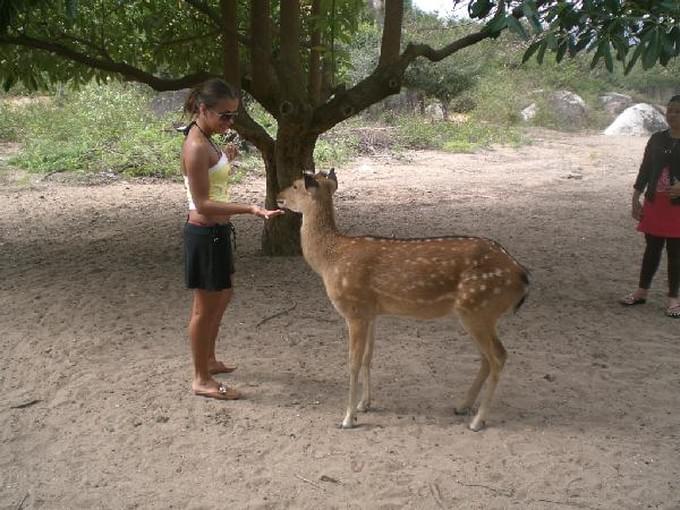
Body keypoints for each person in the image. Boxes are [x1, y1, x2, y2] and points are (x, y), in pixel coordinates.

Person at [181, 79, 283, 399]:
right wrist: (251, 209)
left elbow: (212, 180)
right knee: (204, 308)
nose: (229, 122)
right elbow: (202, 203)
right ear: (202, 109)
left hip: (218, 233)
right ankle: (200, 379)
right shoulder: (196, 146)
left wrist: (226, 158)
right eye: (224, 116)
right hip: (204, 233)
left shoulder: (208, 140)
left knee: (222, 298)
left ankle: (209, 360)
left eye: (233, 116)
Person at [619, 95, 680, 318]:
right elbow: (645, 170)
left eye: (678, 111)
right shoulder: (656, 139)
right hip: (655, 203)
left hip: (677, 208)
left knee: (676, 253)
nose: (672, 115)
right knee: (651, 249)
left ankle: (674, 299)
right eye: (670, 110)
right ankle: (641, 291)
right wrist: (636, 197)